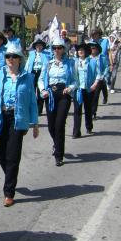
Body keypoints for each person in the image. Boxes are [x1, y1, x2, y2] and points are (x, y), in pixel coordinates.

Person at [0, 45, 38, 207]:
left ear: (20, 59)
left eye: (14, 56)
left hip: (17, 118)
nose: (11, 59)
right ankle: (11, 176)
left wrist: (34, 123)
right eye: (8, 56)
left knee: (13, 155)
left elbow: (32, 102)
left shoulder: (28, 77)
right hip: (0, 117)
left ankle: (9, 192)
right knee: (0, 153)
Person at [38, 38, 77, 166]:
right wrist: (42, 90)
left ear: (63, 49)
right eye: (54, 48)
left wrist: (70, 88)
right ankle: (56, 143)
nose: (56, 50)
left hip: (64, 94)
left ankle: (59, 155)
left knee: (60, 124)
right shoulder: (48, 64)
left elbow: (75, 81)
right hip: (50, 94)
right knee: (51, 126)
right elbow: (41, 79)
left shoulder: (70, 63)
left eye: (59, 48)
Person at [72, 43, 101, 138]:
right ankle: (76, 132)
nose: (80, 51)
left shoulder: (92, 61)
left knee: (88, 109)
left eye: (82, 50)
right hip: (78, 89)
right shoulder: (74, 62)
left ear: (86, 52)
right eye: (79, 50)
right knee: (77, 110)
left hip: (88, 89)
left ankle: (89, 127)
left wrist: (95, 84)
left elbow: (98, 74)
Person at [24, 39, 50, 115]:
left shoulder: (46, 54)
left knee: (40, 91)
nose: (38, 47)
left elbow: (48, 64)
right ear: (35, 46)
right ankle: (31, 108)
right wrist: (25, 72)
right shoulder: (32, 54)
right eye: (37, 45)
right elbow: (28, 63)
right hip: (32, 72)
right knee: (31, 90)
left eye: (40, 45)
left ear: (42, 46)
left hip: (41, 73)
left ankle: (39, 109)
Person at [88, 41, 108, 120]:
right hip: (89, 80)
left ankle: (93, 112)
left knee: (95, 97)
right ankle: (89, 111)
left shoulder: (102, 58)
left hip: (99, 79)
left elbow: (106, 67)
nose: (92, 50)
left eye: (94, 48)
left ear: (97, 49)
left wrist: (103, 75)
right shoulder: (87, 58)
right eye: (91, 48)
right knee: (89, 97)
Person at [89, 29, 110, 104]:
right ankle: (93, 108)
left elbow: (108, 52)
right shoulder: (90, 42)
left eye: (96, 34)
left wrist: (110, 61)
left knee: (103, 81)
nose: (94, 36)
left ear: (99, 34)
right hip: (94, 61)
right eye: (93, 35)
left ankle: (105, 96)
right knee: (98, 83)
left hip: (103, 61)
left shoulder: (105, 41)